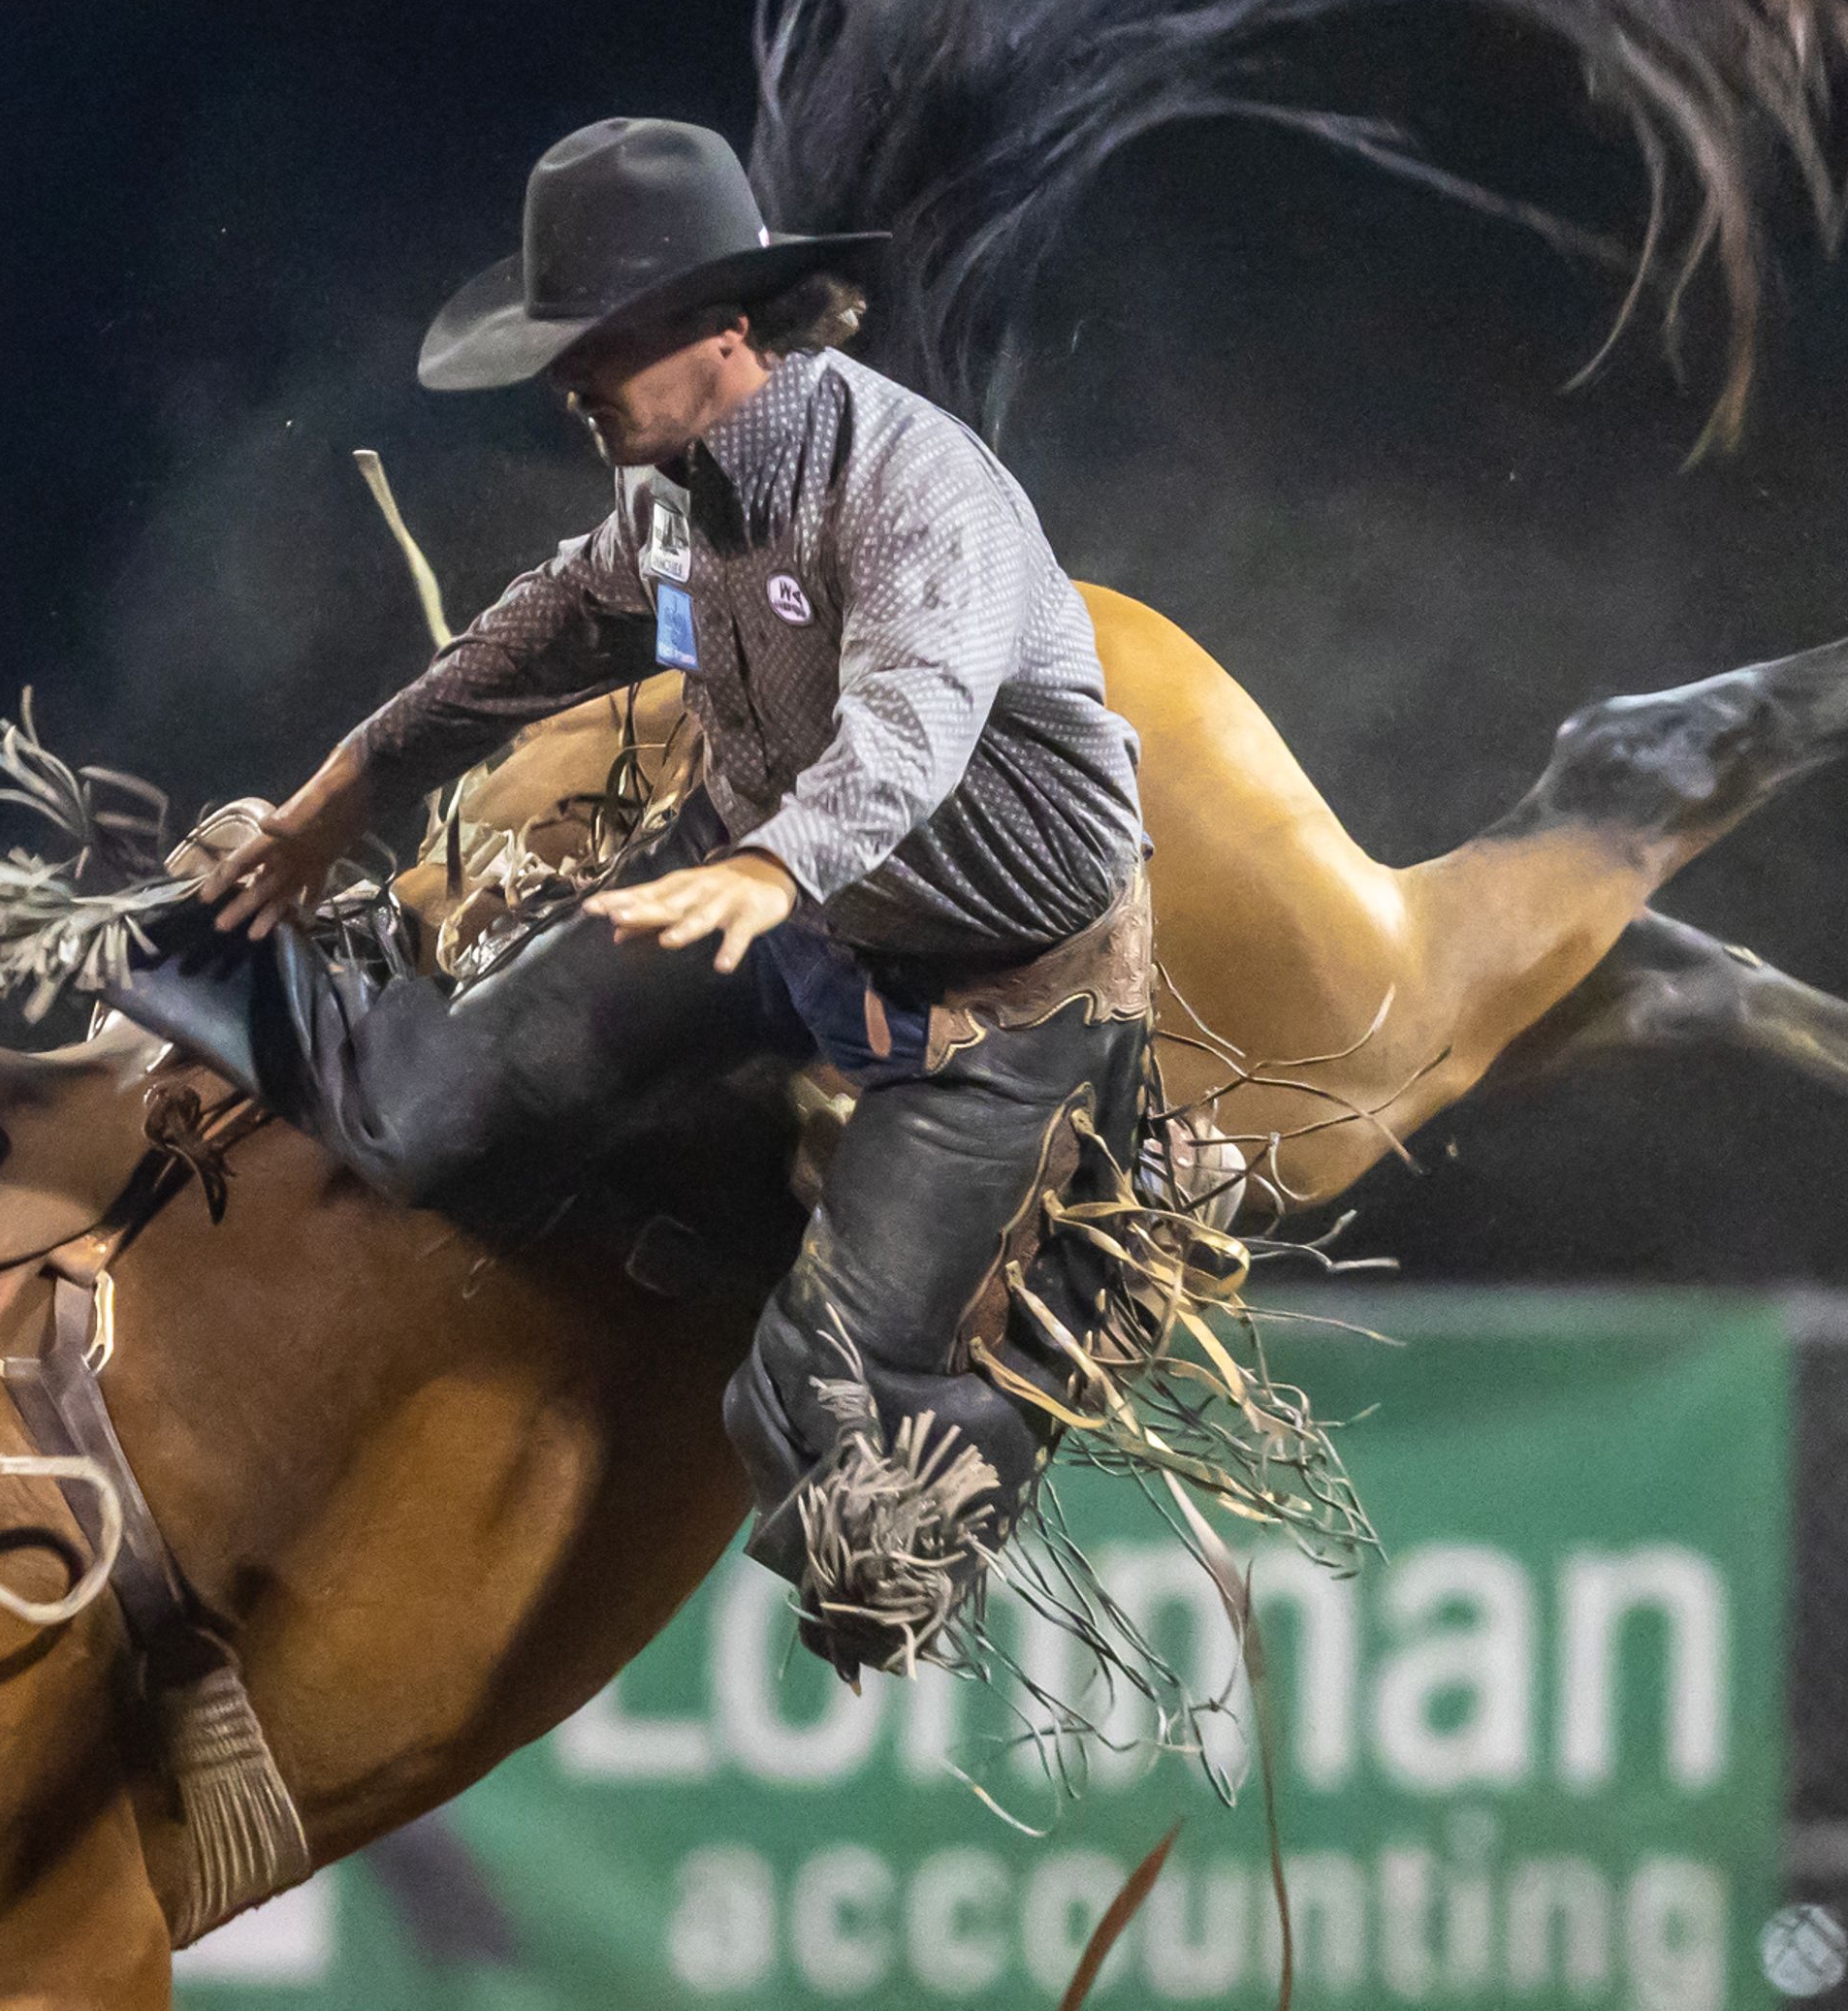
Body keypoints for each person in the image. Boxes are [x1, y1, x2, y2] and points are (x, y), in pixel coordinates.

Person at [99, 114, 1157, 1668]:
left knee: (818, 1410)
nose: (563, 379)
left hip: (990, 994)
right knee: (415, 1115)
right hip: (743, 893)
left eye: (590, 342)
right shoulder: (670, 493)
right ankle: (293, 973)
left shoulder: (917, 495)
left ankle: (1067, 1301)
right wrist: (348, 792)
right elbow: (550, 627)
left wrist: (773, 865)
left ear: (723, 331)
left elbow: (911, 728)